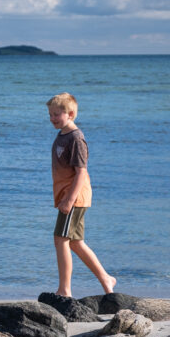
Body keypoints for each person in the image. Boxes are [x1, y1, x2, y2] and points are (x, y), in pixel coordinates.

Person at [47, 92, 116, 297]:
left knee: (61, 239)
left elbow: (81, 172)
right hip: (68, 196)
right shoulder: (62, 135)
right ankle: (106, 278)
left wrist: (68, 199)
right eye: (50, 114)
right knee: (75, 242)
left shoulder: (76, 138)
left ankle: (65, 290)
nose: (52, 118)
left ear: (70, 114)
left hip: (74, 196)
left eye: (56, 115)